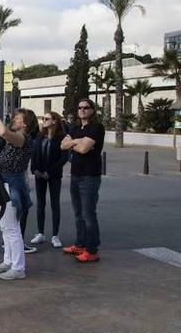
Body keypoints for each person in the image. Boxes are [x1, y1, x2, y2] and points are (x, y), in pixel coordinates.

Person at [0, 104, 38, 280]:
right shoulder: (15, 136)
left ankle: (18, 267)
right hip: (2, 182)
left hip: (12, 183)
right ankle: (8, 260)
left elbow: (4, 132)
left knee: (12, 227)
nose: (13, 119)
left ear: (25, 124)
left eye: (17, 118)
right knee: (5, 226)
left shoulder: (23, 139)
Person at [61, 98, 105, 262]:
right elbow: (63, 145)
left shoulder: (97, 127)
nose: (82, 110)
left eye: (86, 107)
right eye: (80, 108)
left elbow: (85, 149)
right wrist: (78, 142)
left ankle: (92, 250)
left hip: (90, 176)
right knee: (78, 213)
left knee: (88, 213)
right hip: (76, 174)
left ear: (92, 110)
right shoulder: (75, 128)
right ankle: (80, 244)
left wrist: (74, 143)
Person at [30, 111, 69, 248]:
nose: (44, 120)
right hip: (39, 174)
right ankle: (40, 233)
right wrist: (34, 168)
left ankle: (55, 235)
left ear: (54, 121)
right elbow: (34, 153)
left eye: (47, 118)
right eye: (43, 118)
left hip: (54, 175)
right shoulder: (40, 135)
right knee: (40, 204)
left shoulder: (62, 137)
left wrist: (50, 172)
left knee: (54, 204)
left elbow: (64, 158)